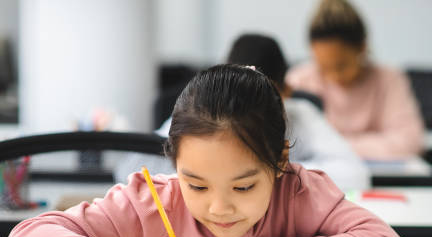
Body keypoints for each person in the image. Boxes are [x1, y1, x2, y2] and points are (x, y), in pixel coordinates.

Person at [6, 65, 409, 237]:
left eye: (244, 186)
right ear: (173, 163)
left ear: (280, 161)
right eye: (196, 184)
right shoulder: (150, 201)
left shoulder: (301, 191)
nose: (219, 208)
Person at [114, 34, 370, 192]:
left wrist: (265, 168)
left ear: (288, 91)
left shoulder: (302, 115)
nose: (251, 110)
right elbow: (129, 171)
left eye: (268, 98)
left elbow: (356, 175)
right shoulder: (204, 111)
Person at [286, 0, 425, 160]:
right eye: (323, 67)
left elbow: (411, 141)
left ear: (363, 48)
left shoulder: (389, 80)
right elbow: (287, 142)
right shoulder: (298, 80)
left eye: (342, 66)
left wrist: (332, 146)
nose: (333, 76)